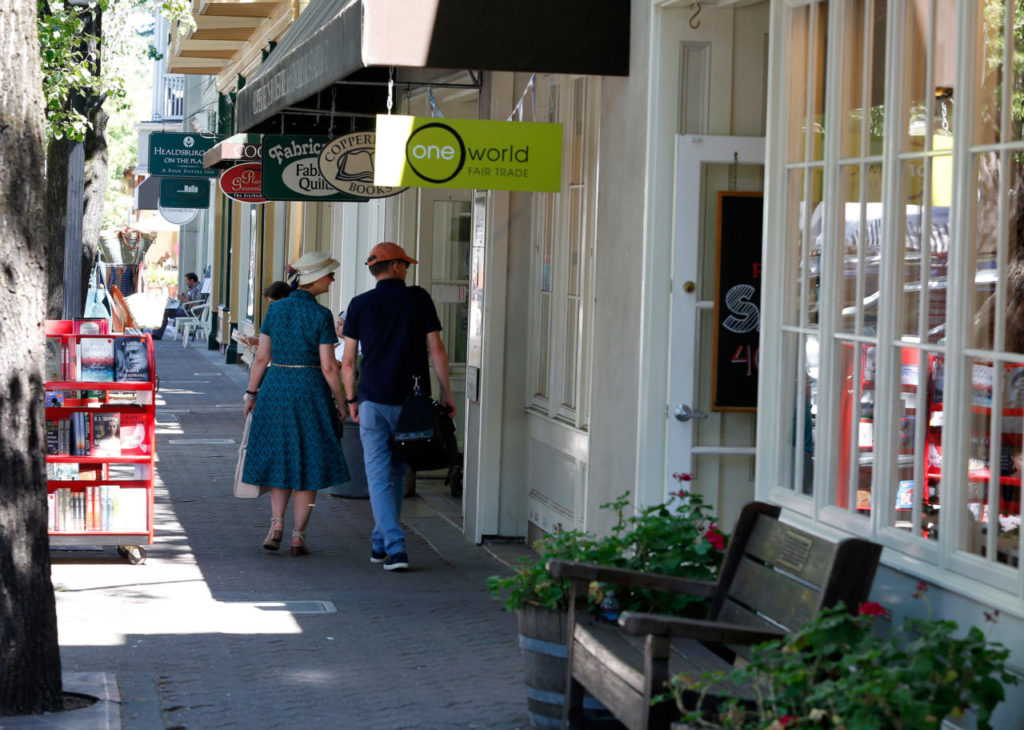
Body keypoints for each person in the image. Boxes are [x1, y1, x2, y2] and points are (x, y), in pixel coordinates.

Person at [341, 242, 456, 571]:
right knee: (395, 472)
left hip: (373, 401)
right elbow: (437, 349)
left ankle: (381, 542)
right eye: (405, 264)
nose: (407, 269)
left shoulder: (359, 305)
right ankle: (396, 547)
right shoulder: (417, 299)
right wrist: (447, 392)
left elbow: (348, 362)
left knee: (382, 474)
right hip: (412, 404)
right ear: (394, 267)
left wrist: (352, 400)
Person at [243, 252, 351, 556]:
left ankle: (276, 523)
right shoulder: (321, 316)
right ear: (315, 278)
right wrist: (341, 403)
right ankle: (298, 536)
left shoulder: (275, 311)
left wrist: (251, 393)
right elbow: (329, 366)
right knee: (309, 461)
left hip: (276, 388)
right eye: (329, 275)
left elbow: (262, 358)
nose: (331, 280)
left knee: (280, 456)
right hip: (309, 391)